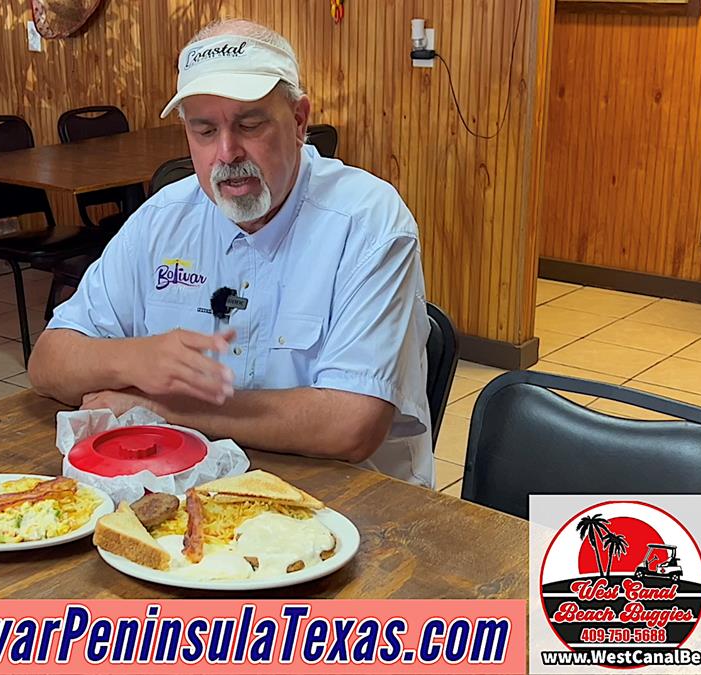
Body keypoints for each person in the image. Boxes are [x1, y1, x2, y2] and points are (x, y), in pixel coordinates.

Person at [29, 18, 434, 486]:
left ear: (300, 121)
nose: (226, 152)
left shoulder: (368, 223)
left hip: (354, 509)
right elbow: (48, 362)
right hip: (196, 501)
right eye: (204, 131)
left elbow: (350, 425)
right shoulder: (164, 218)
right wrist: (133, 359)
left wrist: (158, 405)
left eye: (250, 124)